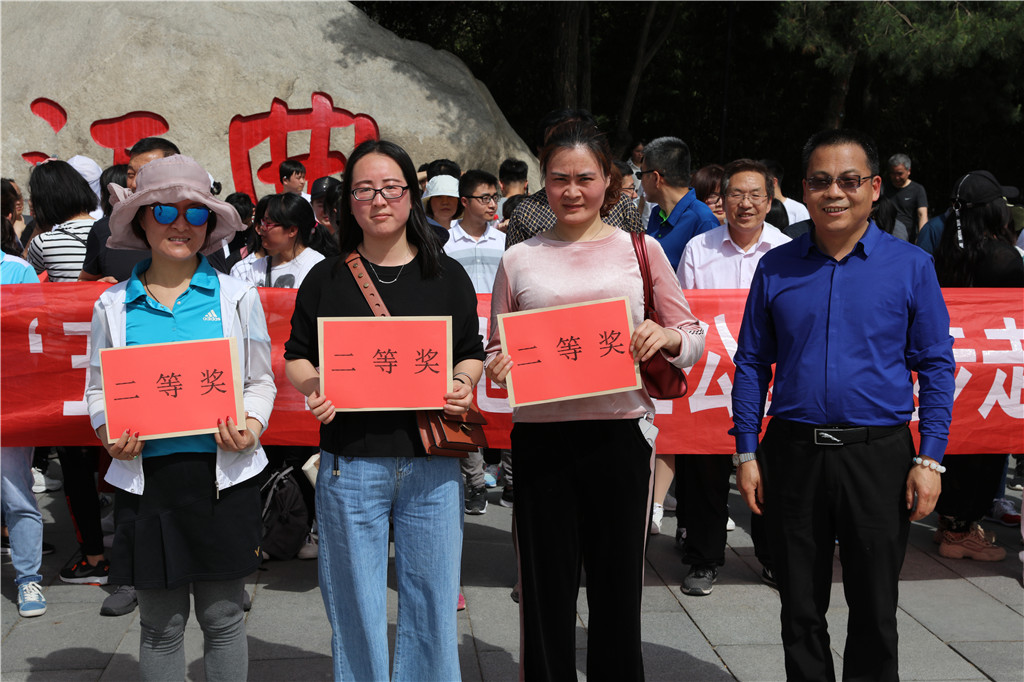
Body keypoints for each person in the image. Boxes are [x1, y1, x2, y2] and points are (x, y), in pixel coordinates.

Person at [732, 129, 955, 682]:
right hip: (793, 453)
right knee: (799, 608)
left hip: (878, 457)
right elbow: (752, 363)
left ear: (875, 188)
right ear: (802, 190)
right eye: (821, 181)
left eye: (849, 181)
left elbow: (935, 365)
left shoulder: (910, 266)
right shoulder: (776, 267)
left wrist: (930, 458)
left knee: (875, 609)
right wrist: (746, 451)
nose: (835, 192)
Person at [485, 122, 705, 680]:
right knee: (544, 589)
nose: (572, 190)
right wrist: (498, 367)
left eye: (585, 177)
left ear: (609, 180)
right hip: (541, 440)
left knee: (617, 590)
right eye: (559, 178)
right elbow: (495, 348)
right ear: (544, 182)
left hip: (619, 435)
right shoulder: (519, 259)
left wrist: (666, 337)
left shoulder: (642, 249)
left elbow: (693, 336)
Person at [284, 139, 484, 680]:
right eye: (365, 190)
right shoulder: (325, 278)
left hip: (432, 465)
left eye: (391, 188)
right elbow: (297, 356)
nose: (379, 200)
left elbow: (470, 351)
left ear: (411, 196)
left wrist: (463, 382)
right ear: (349, 203)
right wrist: (316, 386)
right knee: (354, 604)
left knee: (433, 602)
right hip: (350, 463)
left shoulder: (447, 275)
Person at [85, 154, 275, 681]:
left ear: (210, 225)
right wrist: (107, 431)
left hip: (222, 479)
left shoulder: (237, 296)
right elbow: (98, 389)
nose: (180, 225)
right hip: (148, 484)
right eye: (165, 211)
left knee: (224, 620)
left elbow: (260, 381)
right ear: (141, 220)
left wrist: (252, 426)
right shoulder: (112, 306)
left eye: (196, 214)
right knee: (160, 627)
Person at [675, 159, 790, 595]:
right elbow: (684, 314)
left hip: (769, 379)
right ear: (721, 200)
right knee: (703, 469)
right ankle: (703, 558)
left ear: (769, 200)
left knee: (771, 467)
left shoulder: (787, 250)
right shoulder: (698, 249)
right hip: (709, 378)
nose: (746, 204)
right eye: (736, 194)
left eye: (755, 195)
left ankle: (773, 557)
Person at [931, 170, 1023, 562]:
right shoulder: (1003, 258)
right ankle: (961, 533)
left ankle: (952, 522)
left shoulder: (947, 250)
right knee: (985, 447)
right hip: (994, 364)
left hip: (956, 362)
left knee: (956, 441)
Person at [505, 108, 644, 248]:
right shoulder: (525, 213)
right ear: (542, 153)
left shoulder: (623, 206)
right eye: (559, 139)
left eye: (585, 179)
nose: (572, 193)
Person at [1, 245, 47, 617]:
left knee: (16, 494)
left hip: (9, 401)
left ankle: (28, 579)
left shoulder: (17, 270)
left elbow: (37, 332)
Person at [80, 137, 181, 283]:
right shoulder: (106, 229)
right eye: (131, 174)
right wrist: (99, 288)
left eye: (144, 174)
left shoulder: (198, 226)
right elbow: (84, 282)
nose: (133, 184)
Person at [639, 136, 719, 269]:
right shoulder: (656, 213)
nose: (640, 182)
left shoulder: (703, 221)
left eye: (640, 175)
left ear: (655, 178)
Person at [229, 193, 324, 289]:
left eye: (268, 223)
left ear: (292, 231)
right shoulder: (257, 268)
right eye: (262, 222)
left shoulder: (316, 265)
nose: (262, 228)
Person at [25, 159, 97, 281]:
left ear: (43, 201)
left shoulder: (44, 243)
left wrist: (40, 226)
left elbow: (20, 273)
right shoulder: (112, 230)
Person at [883, 152, 928, 242]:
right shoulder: (884, 188)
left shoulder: (917, 189)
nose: (896, 177)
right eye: (893, 173)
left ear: (908, 171)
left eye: (900, 173)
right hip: (886, 237)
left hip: (908, 239)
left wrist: (922, 237)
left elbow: (922, 214)